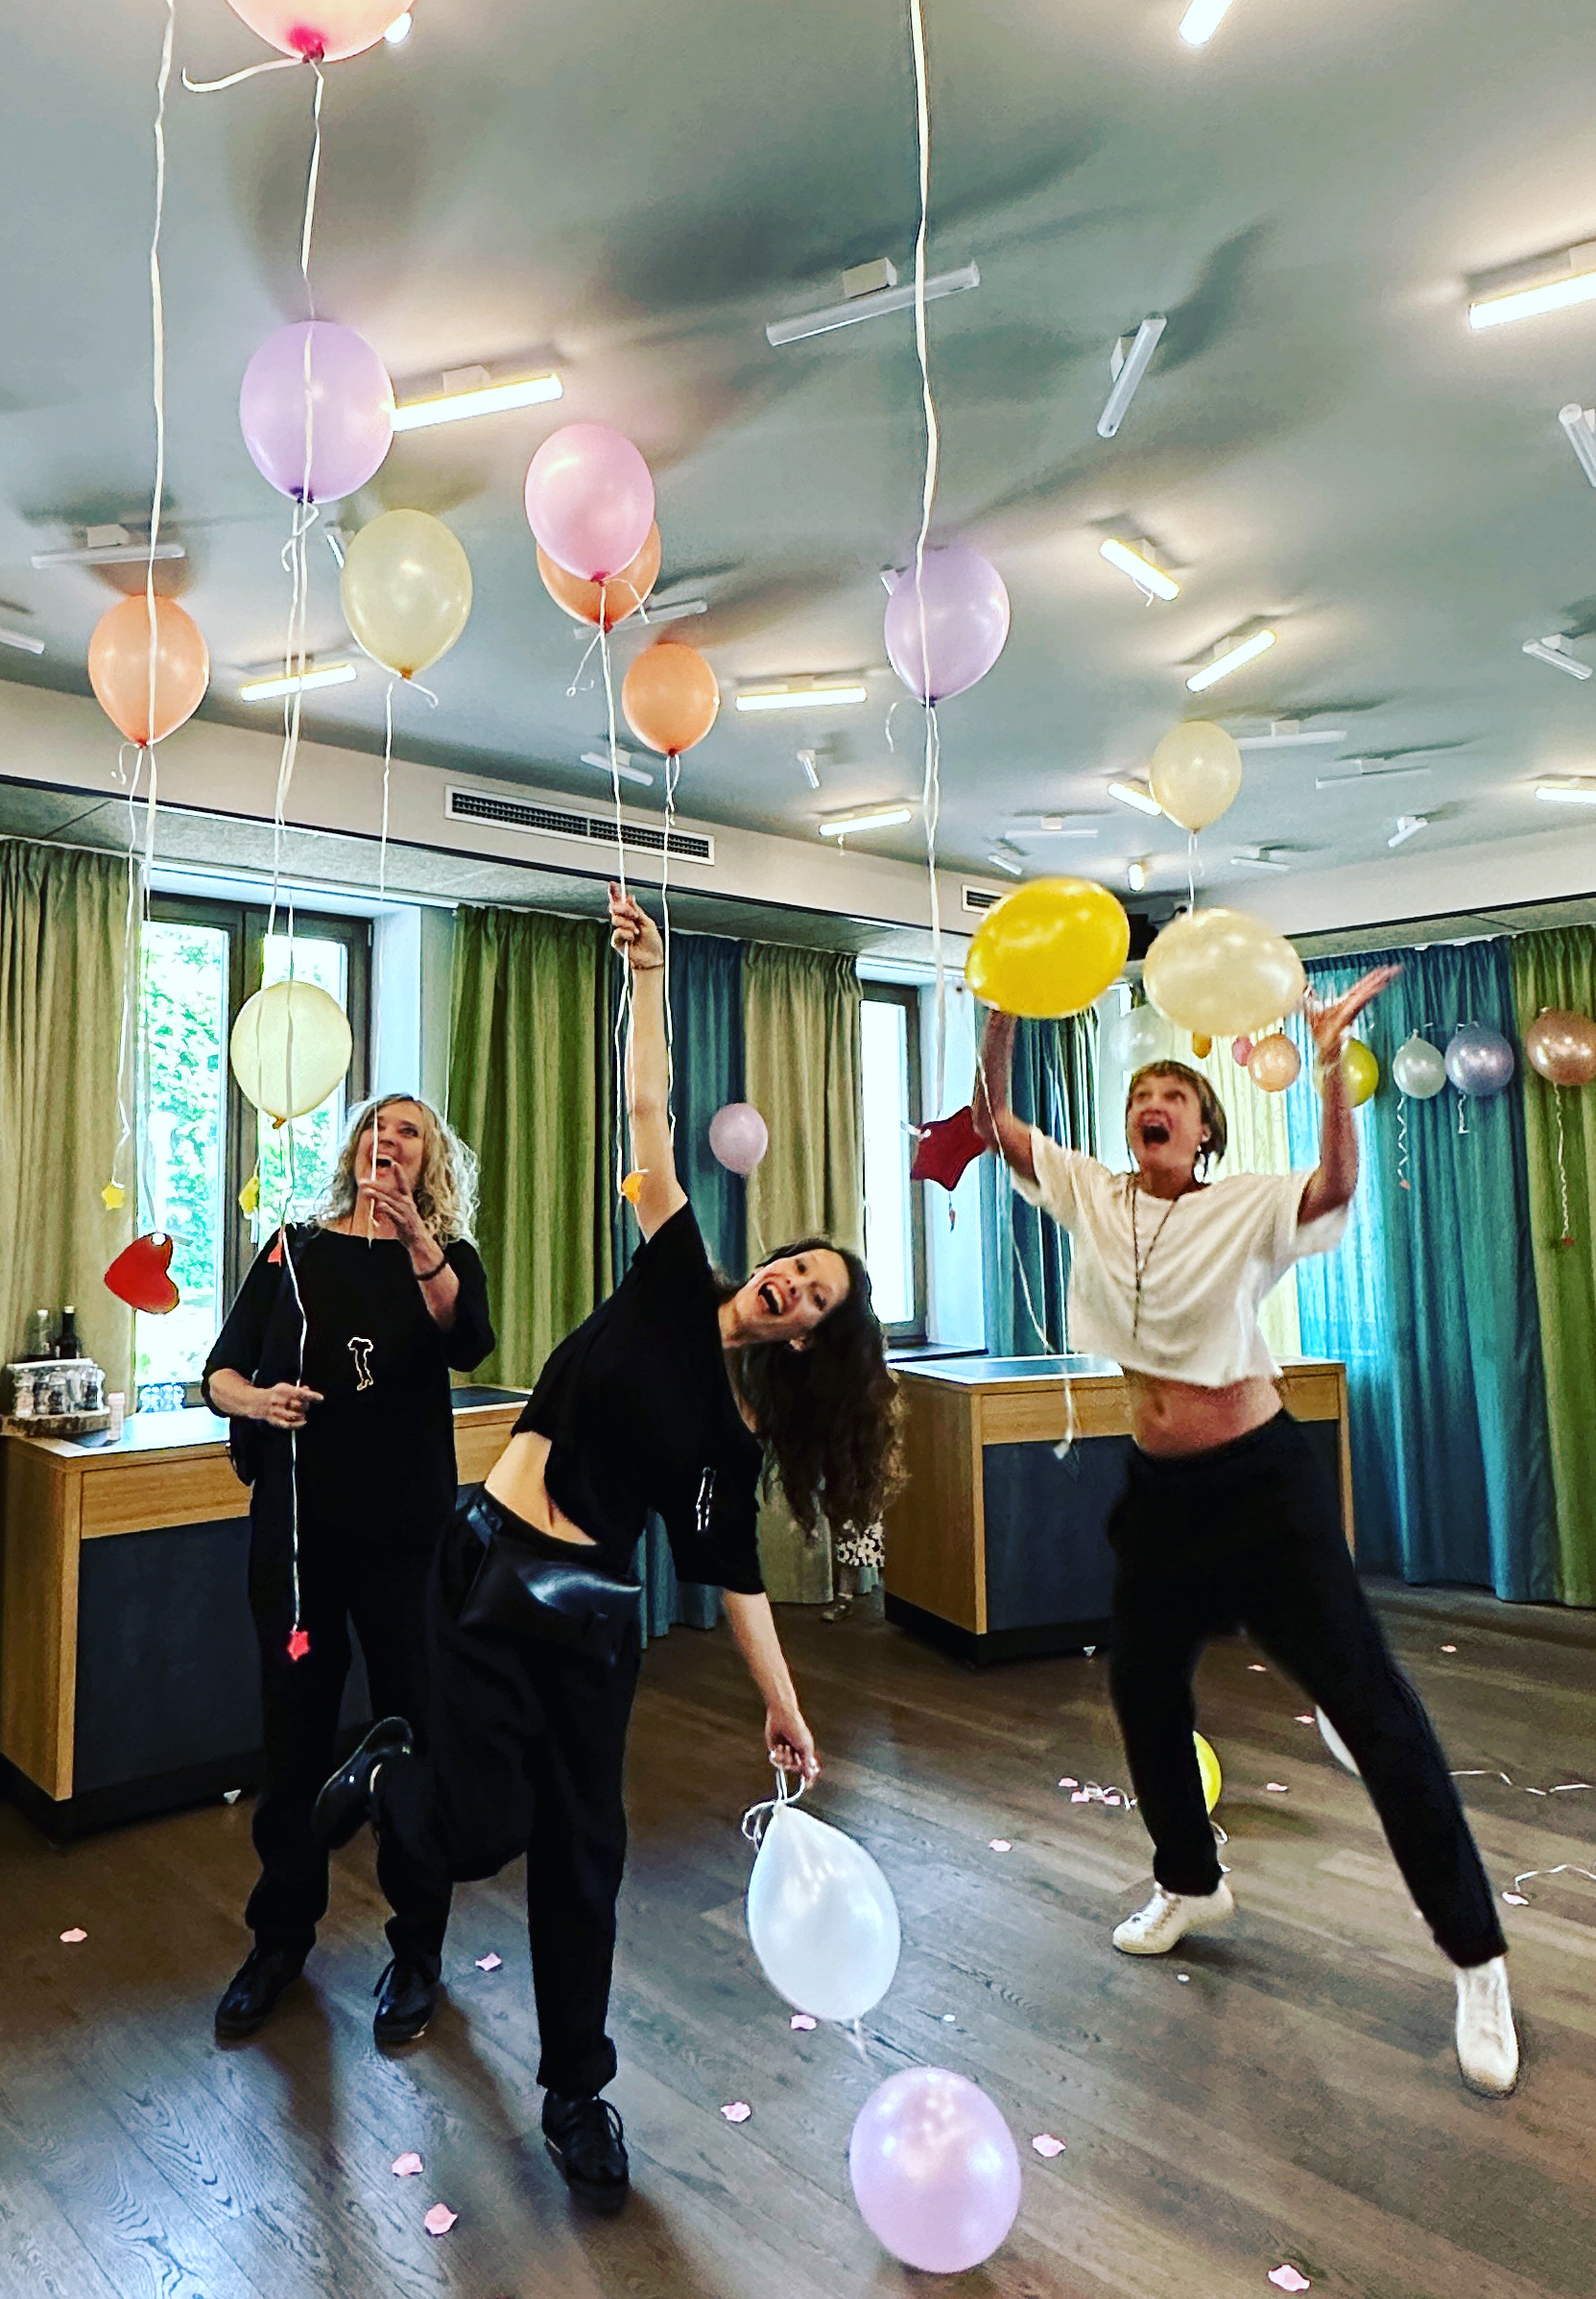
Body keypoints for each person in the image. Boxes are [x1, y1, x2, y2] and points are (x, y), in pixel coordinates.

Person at [315, 881, 898, 2213]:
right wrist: (647, 980)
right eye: (796, 1264)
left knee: (587, 1855)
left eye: (814, 1296)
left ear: (809, 1336)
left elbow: (732, 1572)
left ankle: (577, 2091)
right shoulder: (670, 1269)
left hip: (587, 1625)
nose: (790, 1283)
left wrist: (784, 1705)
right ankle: (394, 1774)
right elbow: (649, 1112)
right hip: (486, 1569)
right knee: (473, 1830)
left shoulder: (735, 1435)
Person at [969, 976, 1519, 2095]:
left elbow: (1336, 1186)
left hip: (1263, 1492)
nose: (1155, 1104)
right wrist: (1006, 1005)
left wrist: (1332, 1069)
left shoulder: (1245, 1207)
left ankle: (1478, 1959)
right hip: (1159, 1494)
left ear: (1205, 1131)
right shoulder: (1091, 1193)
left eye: (1178, 1095)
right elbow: (992, 1119)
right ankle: (1192, 1880)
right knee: (1143, 1688)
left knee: (1371, 1710)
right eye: (1143, 1094)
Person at [202, 1092, 493, 2051]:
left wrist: (416, 1241)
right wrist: (259, 1401)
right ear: (354, 1147)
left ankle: (417, 1953)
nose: (389, 1140)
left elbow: (467, 1341)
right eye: (377, 1126)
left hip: (407, 1542)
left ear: (430, 1160)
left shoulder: (447, 1259)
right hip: (297, 1540)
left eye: (409, 1131)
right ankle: (278, 1942)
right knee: (292, 1739)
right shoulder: (292, 1249)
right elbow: (219, 1374)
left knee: (413, 1738)